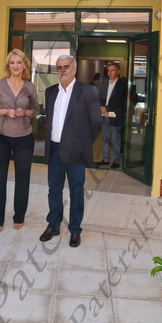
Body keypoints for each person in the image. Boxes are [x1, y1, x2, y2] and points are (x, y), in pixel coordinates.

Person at [39, 55, 102, 248]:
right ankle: (53, 225)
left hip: (77, 153)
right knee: (53, 191)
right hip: (54, 151)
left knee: (76, 193)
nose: (62, 70)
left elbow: (96, 123)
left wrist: (82, 143)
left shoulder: (88, 91)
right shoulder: (50, 92)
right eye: (59, 67)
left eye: (66, 66)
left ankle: (75, 230)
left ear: (74, 68)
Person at [0, 49, 39, 232]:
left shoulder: (30, 86)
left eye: (19, 62)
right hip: (1, 136)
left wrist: (25, 112)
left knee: (23, 179)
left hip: (24, 138)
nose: (15, 66)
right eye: (12, 62)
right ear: (8, 65)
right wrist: (4, 111)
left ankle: (19, 217)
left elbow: (36, 111)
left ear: (24, 65)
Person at [97, 61, 126, 169]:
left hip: (115, 116)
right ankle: (105, 159)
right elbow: (100, 97)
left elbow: (120, 101)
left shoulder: (122, 85)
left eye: (112, 70)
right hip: (104, 115)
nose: (110, 73)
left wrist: (107, 109)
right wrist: (101, 109)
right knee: (105, 138)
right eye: (108, 71)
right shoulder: (104, 83)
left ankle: (116, 161)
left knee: (115, 140)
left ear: (118, 71)